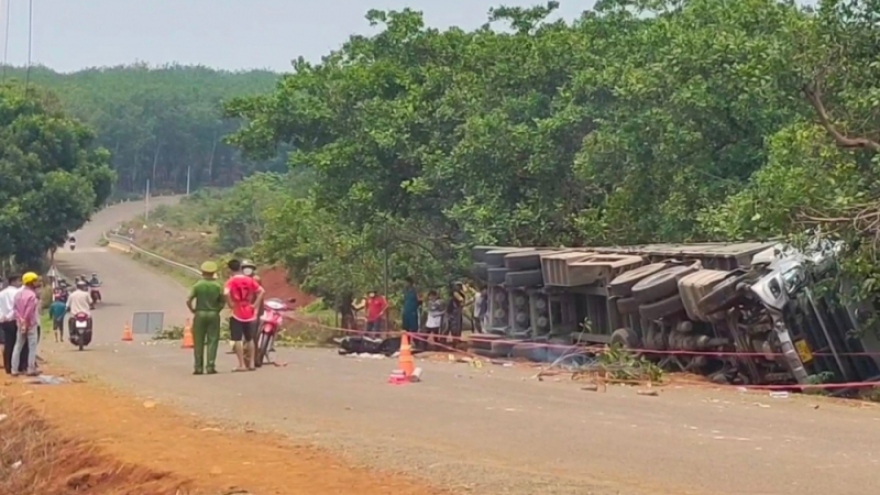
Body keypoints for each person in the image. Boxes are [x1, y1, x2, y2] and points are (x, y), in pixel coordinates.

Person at [224, 259, 265, 371]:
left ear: (230, 269)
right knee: (250, 338)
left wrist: (230, 304)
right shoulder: (250, 280)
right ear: (241, 268)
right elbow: (261, 291)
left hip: (237, 311)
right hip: (249, 311)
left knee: (237, 339)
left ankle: (241, 364)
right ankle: (251, 363)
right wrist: (255, 305)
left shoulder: (231, 281)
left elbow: (226, 293)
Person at [186, 261, 225, 375]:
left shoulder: (198, 285)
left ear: (202, 272)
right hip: (213, 314)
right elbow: (223, 301)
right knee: (213, 340)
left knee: (198, 341)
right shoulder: (218, 286)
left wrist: (193, 310)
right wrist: (218, 309)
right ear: (213, 273)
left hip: (200, 313)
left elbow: (188, 300)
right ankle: (210, 366)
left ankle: (198, 367)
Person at [11, 272, 40, 376]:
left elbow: (15, 309)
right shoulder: (32, 295)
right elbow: (29, 310)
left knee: (18, 345)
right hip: (30, 324)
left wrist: (21, 320)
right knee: (32, 346)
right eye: (35, 281)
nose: (37, 283)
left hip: (19, 323)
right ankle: (30, 369)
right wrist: (26, 321)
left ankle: (14, 369)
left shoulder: (18, 294)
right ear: (31, 282)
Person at [0, 275, 22, 374]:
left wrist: (3, 317)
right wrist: (9, 316)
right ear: (13, 281)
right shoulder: (17, 293)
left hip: (3, 321)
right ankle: (16, 365)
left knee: (7, 343)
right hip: (13, 320)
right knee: (17, 344)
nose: (20, 283)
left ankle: (7, 366)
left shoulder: (2, 293)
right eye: (18, 281)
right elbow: (16, 308)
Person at [444, 282, 466, 346]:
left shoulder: (459, 293)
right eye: (457, 286)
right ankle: (454, 341)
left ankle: (456, 340)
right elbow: (461, 300)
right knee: (453, 327)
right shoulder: (455, 293)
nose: (458, 287)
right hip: (453, 312)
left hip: (456, 311)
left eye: (459, 286)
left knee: (457, 326)